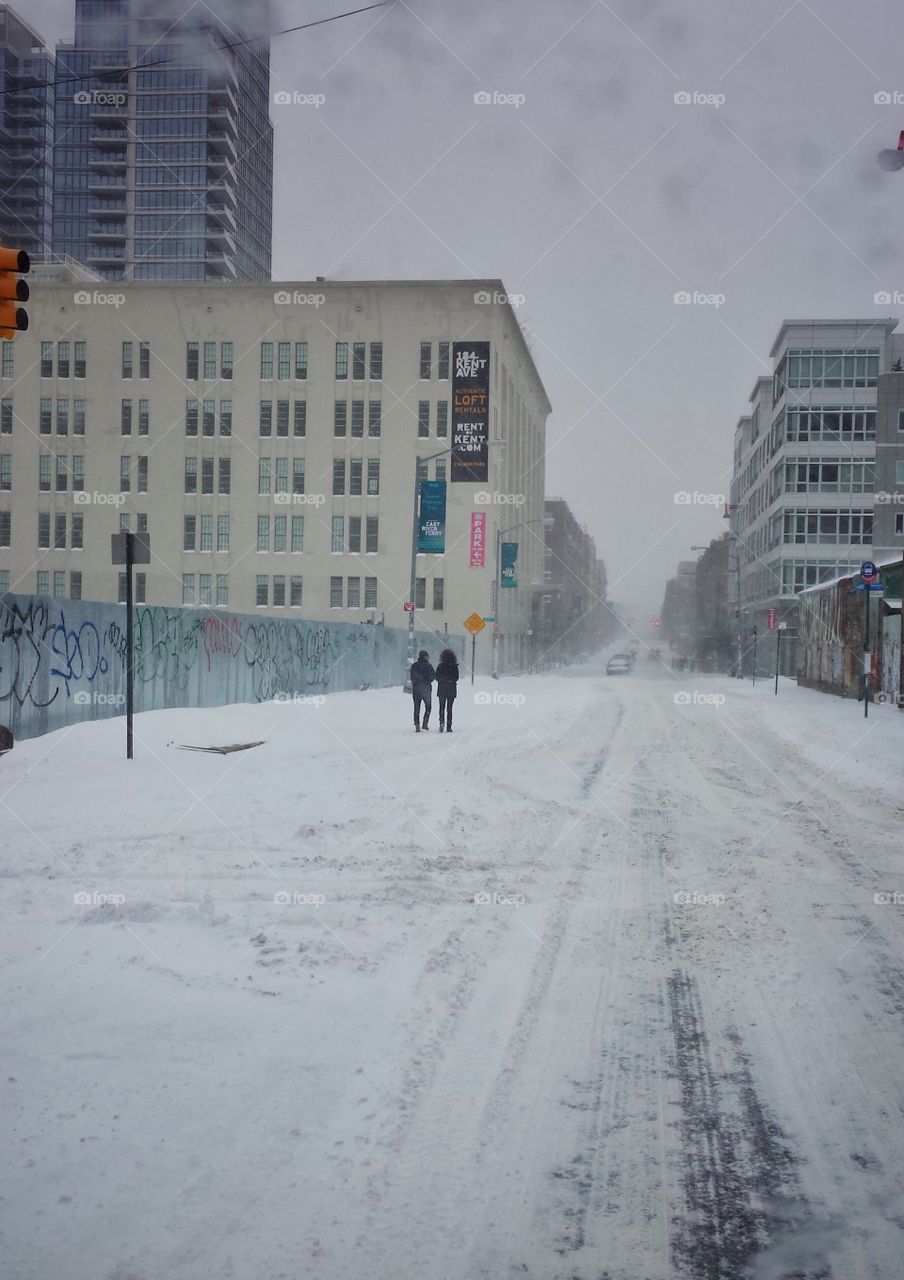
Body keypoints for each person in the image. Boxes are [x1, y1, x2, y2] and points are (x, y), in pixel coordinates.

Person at [409, 649, 435, 731]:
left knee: (416, 708)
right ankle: (425, 722)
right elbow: (433, 676)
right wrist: (426, 679)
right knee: (428, 706)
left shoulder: (414, 666)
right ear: (425, 657)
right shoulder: (429, 666)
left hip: (416, 689)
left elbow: (412, 677)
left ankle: (417, 724)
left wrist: (419, 680)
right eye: (427, 656)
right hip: (426, 689)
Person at [435, 648, 459, 733]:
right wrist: (450, 681)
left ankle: (441, 722)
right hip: (451, 689)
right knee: (449, 708)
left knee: (441, 707)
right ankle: (449, 726)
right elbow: (456, 678)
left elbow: (436, 677)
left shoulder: (440, 666)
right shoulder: (454, 666)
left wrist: (443, 680)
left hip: (442, 689)